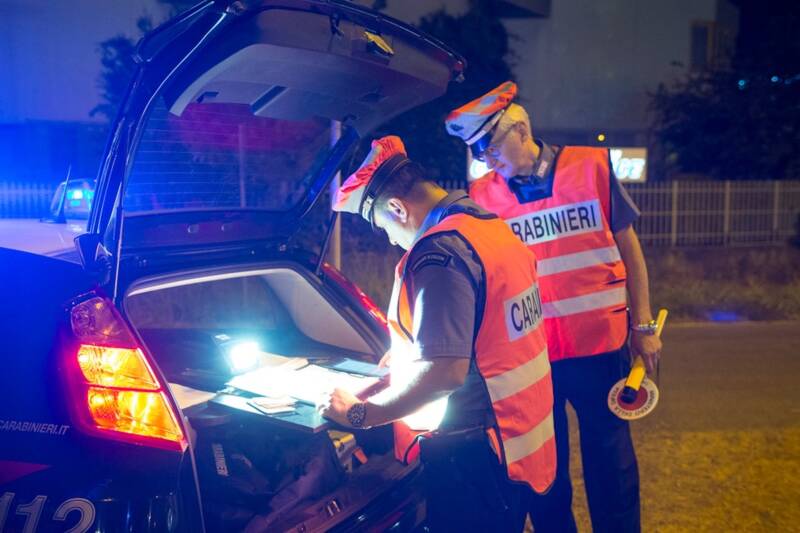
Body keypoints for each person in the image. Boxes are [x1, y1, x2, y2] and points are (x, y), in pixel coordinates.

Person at [446, 81, 663, 533]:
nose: (487, 159)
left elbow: (631, 250)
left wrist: (644, 324)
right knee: (545, 470)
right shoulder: (483, 196)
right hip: (533, 360)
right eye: (479, 151)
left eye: (490, 145)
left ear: (521, 130)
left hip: (601, 349)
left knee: (611, 464)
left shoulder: (590, 167)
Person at [319, 135, 556, 532]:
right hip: (519, 438)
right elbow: (490, 328)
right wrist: (411, 354)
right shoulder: (487, 228)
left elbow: (445, 374)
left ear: (396, 208)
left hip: (473, 455)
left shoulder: (439, 254)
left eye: (383, 227)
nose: (392, 240)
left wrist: (360, 414)